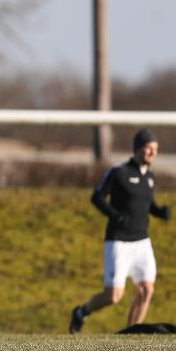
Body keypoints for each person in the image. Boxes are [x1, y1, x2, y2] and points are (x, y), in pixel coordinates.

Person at [70, 129, 170, 333]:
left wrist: (159, 212)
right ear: (137, 149)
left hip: (142, 242)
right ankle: (81, 312)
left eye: (155, 149)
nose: (152, 153)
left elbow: (146, 203)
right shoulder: (119, 172)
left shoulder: (149, 177)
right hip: (119, 241)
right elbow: (97, 197)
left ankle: (131, 335)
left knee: (146, 290)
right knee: (113, 296)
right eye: (148, 148)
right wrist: (115, 215)